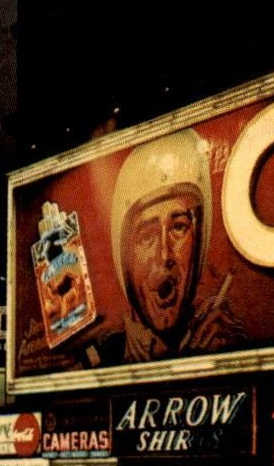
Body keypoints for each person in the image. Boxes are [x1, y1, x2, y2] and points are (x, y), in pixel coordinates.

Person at [97, 129, 245, 364]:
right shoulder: (101, 358)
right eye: (146, 237)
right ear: (124, 255)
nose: (164, 254)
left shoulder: (222, 338)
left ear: (199, 240)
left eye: (178, 228)